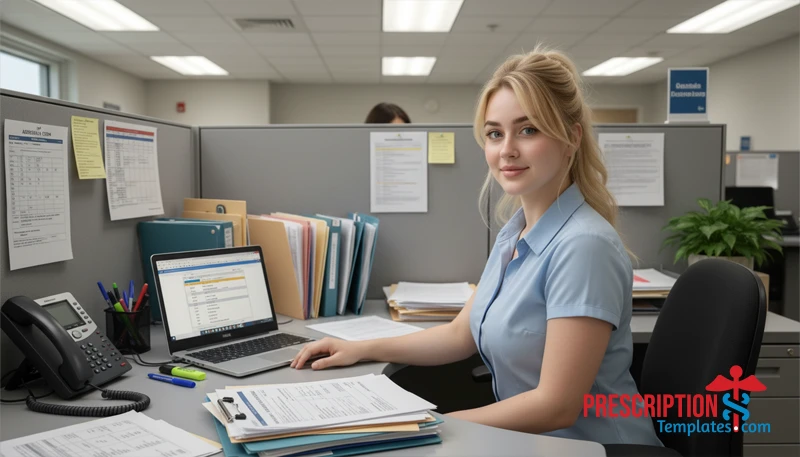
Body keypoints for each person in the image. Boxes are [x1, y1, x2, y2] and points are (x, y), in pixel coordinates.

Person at [292, 48, 662, 446]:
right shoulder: (515, 234)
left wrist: (431, 425)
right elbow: (458, 335)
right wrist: (360, 349)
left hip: (595, 448)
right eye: (494, 133)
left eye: (528, 129)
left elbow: (557, 405)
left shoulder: (583, 246)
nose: (507, 150)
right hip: (538, 443)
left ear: (571, 137)